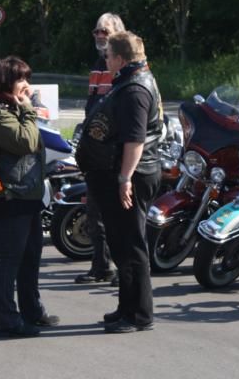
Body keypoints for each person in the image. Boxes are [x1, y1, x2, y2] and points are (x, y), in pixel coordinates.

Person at [76, 31, 163, 333]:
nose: (106, 60)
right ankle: (126, 306)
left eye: (109, 55)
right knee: (120, 244)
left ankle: (139, 314)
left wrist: (125, 178)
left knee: (130, 245)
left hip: (130, 176)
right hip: (117, 174)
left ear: (121, 59)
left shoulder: (135, 90)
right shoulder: (129, 81)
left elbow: (135, 140)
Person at [0, 55, 58, 338]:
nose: (26, 84)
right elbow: (27, 141)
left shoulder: (11, 107)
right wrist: (29, 110)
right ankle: (7, 320)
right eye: (21, 79)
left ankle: (32, 311)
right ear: (7, 82)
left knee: (31, 256)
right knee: (8, 261)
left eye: (27, 78)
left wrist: (26, 108)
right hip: (8, 196)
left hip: (26, 194)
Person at [74, 12, 126, 287]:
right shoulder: (98, 64)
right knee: (94, 212)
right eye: (96, 31)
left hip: (113, 150)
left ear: (117, 33)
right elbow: (93, 105)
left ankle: (123, 269)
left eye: (104, 31)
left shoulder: (123, 65)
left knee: (116, 215)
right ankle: (101, 266)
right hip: (95, 149)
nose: (98, 36)